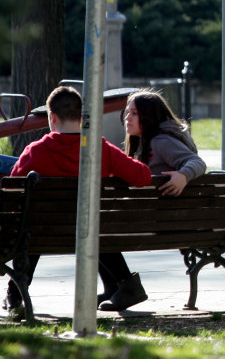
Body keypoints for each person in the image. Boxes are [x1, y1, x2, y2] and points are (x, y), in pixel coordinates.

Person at [4, 86, 152, 318]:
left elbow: (13, 196)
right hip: (90, 233)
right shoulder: (101, 149)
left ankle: (16, 295)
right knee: (91, 224)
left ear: (52, 117)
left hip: (41, 234)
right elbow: (143, 176)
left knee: (31, 227)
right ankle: (124, 282)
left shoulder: (35, 152)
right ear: (83, 118)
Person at [89, 89, 209, 311]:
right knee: (96, 224)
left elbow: (197, 162)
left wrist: (183, 175)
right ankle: (115, 287)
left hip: (159, 223)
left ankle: (125, 286)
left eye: (134, 113)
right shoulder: (146, 142)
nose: (127, 117)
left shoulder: (161, 141)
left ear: (149, 116)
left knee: (94, 226)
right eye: (127, 112)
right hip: (155, 220)